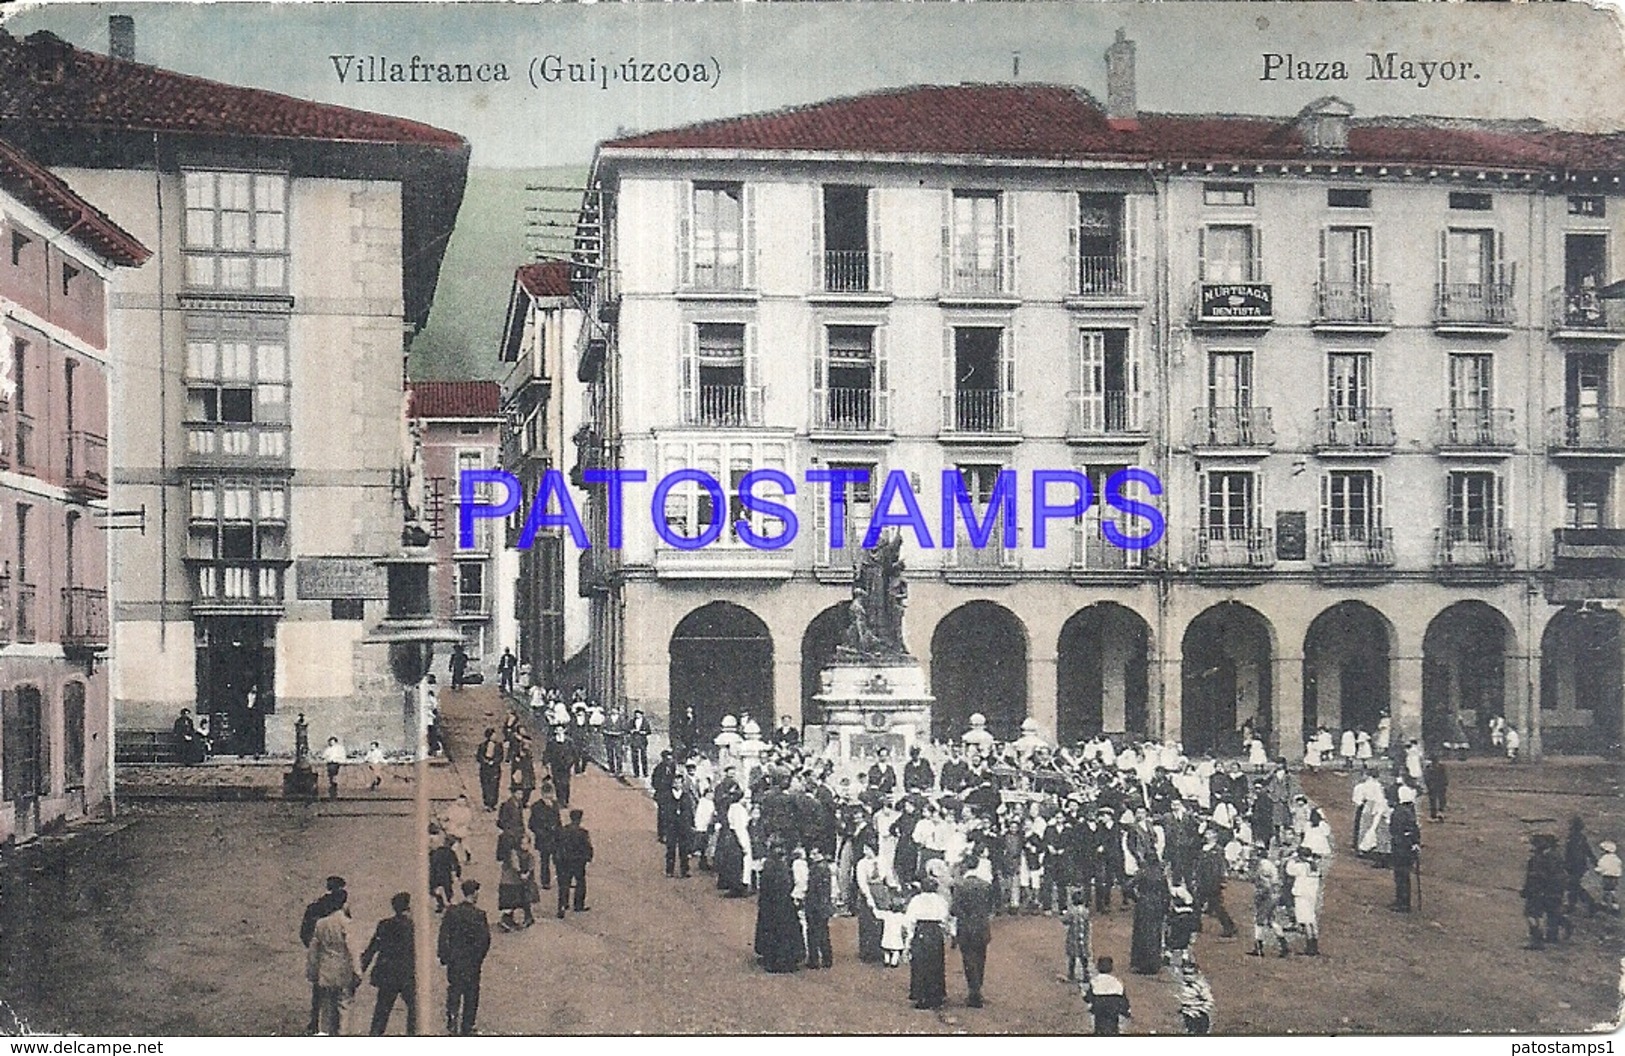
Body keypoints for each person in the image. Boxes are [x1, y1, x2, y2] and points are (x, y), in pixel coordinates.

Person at [438, 879, 491, 1035]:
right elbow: (485, 941)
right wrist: (478, 958)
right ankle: (467, 1026)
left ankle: (452, 1019)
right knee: (471, 994)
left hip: (454, 961)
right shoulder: (479, 914)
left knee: (454, 989)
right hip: (472, 962)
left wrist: (444, 956)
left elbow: (443, 936)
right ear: (474, 893)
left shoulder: (452, 912)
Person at [306, 888, 361, 1036]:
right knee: (344, 1006)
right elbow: (353, 949)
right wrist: (357, 971)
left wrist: (312, 973)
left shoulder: (321, 923)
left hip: (326, 970)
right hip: (343, 970)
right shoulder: (346, 923)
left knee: (326, 1008)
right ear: (343, 903)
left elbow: (313, 951)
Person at [361, 892, 416, 1036]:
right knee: (414, 1008)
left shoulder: (384, 924)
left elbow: (372, 949)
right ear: (408, 907)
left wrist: (360, 969)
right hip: (407, 975)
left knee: (382, 1010)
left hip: (388, 974)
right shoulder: (412, 927)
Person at [300, 876, 348, 1034]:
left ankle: (315, 1024)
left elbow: (304, 933)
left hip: (320, 955)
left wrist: (314, 947)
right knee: (339, 996)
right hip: (337, 958)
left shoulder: (314, 907)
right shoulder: (340, 908)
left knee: (319, 993)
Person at [754, 846, 805, 973]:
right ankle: (786, 960)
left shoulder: (768, 868)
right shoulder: (782, 869)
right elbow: (789, 885)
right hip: (784, 906)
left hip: (769, 907)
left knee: (771, 932)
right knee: (785, 933)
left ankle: (771, 958)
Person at [951, 863, 996, 1007]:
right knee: (980, 958)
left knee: (968, 959)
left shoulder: (960, 887)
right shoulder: (986, 886)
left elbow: (954, 909)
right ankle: (977, 988)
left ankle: (973, 989)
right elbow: (991, 907)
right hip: (982, 926)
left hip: (965, 927)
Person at [903, 877, 951, 1009]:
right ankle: (935, 996)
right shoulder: (941, 900)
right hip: (935, 932)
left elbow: (910, 920)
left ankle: (921, 996)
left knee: (919, 964)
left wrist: (908, 940)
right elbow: (945, 917)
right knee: (936, 963)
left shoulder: (916, 900)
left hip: (921, 930)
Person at [1521, 834, 1567, 949]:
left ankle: (1537, 940)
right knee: (1552, 912)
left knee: (1531, 914)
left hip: (1538, 890)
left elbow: (1533, 877)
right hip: (1556, 890)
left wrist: (1526, 890)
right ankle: (1552, 936)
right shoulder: (1558, 857)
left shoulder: (1536, 860)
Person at [1129, 857, 1168, 974]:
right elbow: (1166, 893)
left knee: (1141, 934)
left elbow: (1128, 886)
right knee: (1155, 935)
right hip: (1157, 905)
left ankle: (1140, 964)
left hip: (1143, 905)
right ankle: (1153, 964)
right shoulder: (1161, 874)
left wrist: (1137, 898)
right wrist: (1165, 908)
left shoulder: (1143, 872)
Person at [556, 808, 594, 917]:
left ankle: (562, 906)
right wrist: (588, 858)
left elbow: (558, 846)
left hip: (565, 861)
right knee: (580, 883)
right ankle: (578, 905)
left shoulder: (563, 830)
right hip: (578, 862)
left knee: (564, 884)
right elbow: (588, 847)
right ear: (580, 819)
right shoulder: (583, 832)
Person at [804, 846, 836, 969]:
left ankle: (814, 960)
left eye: (814, 853)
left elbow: (814, 889)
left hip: (815, 905)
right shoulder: (824, 868)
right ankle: (827, 959)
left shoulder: (817, 869)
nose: (811, 856)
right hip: (822, 905)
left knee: (813, 932)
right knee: (823, 932)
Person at [499, 832, 539, 931]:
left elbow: (531, 865)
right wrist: (521, 873)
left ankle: (527, 917)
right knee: (514, 900)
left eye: (526, 844)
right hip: (515, 881)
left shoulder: (529, 855)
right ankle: (510, 919)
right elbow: (515, 864)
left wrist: (527, 874)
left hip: (523, 881)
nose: (524, 846)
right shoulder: (515, 853)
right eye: (522, 844)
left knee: (524, 899)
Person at [1390, 787, 1422, 912]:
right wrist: (1415, 843)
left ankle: (1402, 904)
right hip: (1408, 847)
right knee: (1403, 876)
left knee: (1400, 876)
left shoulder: (1399, 811)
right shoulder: (1410, 811)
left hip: (1401, 847)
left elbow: (1395, 829)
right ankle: (1402, 901)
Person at [1286, 847, 1322, 955]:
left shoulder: (1301, 866)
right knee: (1312, 920)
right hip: (1312, 895)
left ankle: (1310, 947)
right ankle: (1314, 945)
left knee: (1306, 921)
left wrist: (1292, 859)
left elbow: (1289, 870)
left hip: (1302, 895)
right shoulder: (1315, 867)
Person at [1084, 957, 1131, 1035]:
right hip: (1114, 1008)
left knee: (1099, 1026)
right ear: (1111, 968)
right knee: (1113, 1026)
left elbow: (1088, 998)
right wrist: (1126, 1011)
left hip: (1099, 1008)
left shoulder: (1095, 981)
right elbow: (1123, 999)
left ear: (1098, 967)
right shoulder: (1117, 982)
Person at [1564, 816, 1601, 916]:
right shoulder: (1581, 837)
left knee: (1573, 886)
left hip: (1574, 866)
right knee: (1573, 886)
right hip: (1580, 866)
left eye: (1570, 824)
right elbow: (1587, 850)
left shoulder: (1572, 838)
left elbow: (1569, 853)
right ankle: (1582, 905)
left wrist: (1565, 864)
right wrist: (1594, 861)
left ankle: (1589, 904)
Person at [528, 796, 560, 891]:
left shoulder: (555, 804)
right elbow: (531, 825)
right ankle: (545, 881)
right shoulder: (536, 806)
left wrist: (560, 833)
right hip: (544, 839)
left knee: (558, 860)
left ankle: (561, 880)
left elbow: (558, 821)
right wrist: (541, 833)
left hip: (554, 838)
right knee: (544, 861)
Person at [429, 827, 461, 912]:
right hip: (445, 875)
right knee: (448, 890)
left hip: (435, 874)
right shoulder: (451, 853)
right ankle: (447, 903)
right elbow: (456, 865)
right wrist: (458, 874)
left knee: (436, 889)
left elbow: (431, 861)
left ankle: (441, 904)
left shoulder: (436, 852)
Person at [1178, 961, 1214, 1035]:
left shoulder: (1201, 986)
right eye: (1185, 973)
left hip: (1199, 1015)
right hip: (1188, 1014)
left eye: (1190, 974)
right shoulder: (1183, 986)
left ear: (1197, 974)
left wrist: (1202, 1010)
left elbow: (1209, 1000)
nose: (1187, 976)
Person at [1595, 840, 1621, 913]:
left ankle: (1605, 904)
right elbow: (1618, 866)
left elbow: (1602, 867)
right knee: (1613, 890)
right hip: (1615, 877)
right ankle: (1615, 905)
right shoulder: (1616, 859)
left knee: (1606, 890)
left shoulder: (1604, 859)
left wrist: (1597, 870)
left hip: (1607, 876)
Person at [628, 709, 652, 779]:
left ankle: (645, 772)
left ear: (641, 715)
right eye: (636, 714)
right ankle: (636, 773)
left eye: (638, 714)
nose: (637, 715)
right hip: (634, 740)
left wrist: (644, 732)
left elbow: (649, 731)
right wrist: (631, 731)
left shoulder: (645, 722)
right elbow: (628, 729)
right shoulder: (632, 721)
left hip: (642, 740)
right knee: (635, 757)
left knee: (643, 757)